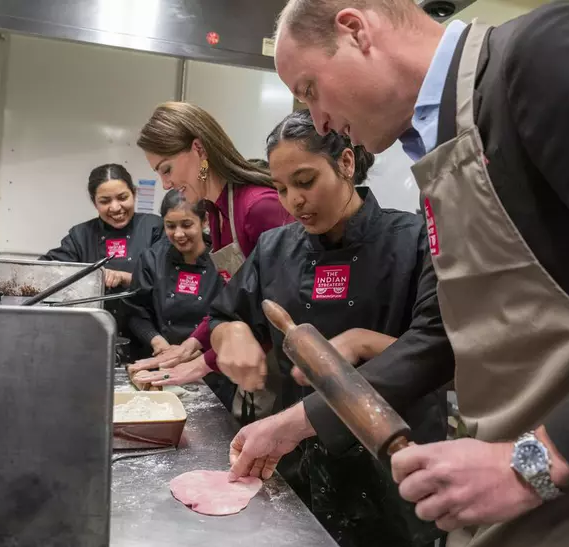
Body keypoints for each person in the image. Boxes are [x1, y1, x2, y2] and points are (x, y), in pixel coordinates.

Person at [227, 1, 569, 546]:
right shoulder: (447, 144)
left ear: (356, 29)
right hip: (528, 496)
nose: (319, 122)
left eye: (311, 89)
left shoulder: (547, 58)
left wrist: (533, 464)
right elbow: (445, 336)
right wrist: (300, 422)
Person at [198, 109, 444, 547]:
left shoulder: (414, 241)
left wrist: (364, 343)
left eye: (305, 181)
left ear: (346, 164)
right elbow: (224, 314)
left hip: (395, 468)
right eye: (281, 189)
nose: (294, 201)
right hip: (297, 462)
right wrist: (229, 333)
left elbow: (443, 353)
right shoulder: (275, 248)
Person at [131, 102, 294, 418]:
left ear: (198, 149)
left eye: (166, 169)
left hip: (286, 369)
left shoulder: (258, 206)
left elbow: (279, 305)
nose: (165, 184)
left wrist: (201, 364)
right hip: (254, 372)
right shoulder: (219, 213)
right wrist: (190, 345)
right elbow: (232, 300)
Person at [39, 163, 163, 361]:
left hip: (150, 343)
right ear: (94, 202)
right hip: (90, 341)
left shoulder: (154, 228)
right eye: (105, 201)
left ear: (134, 193)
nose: (115, 208)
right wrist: (91, 277)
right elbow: (47, 270)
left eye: (123, 198)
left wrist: (125, 277)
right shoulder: (80, 236)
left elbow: (167, 282)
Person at [124, 189, 235, 404]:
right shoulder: (152, 259)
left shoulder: (223, 259)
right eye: (170, 226)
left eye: (186, 225)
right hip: (163, 366)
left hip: (213, 371)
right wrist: (159, 343)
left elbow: (229, 316)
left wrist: (192, 353)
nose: (178, 234)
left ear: (204, 221)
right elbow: (137, 312)